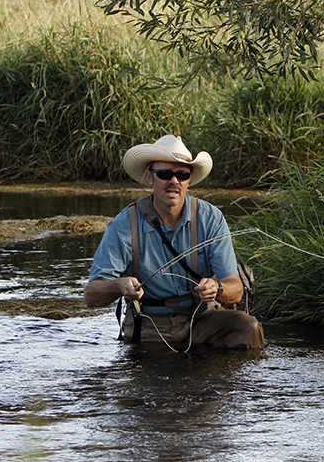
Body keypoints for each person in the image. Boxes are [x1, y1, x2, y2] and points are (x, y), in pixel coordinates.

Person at [84, 135, 265, 349]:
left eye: (182, 174)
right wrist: (119, 286)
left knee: (249, 329)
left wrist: (216, 289)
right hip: (150, 326)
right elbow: (91, 295)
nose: (174, 181)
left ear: (189, 180)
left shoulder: (211, 218)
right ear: (150, 178)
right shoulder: (124, 225)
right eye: (164, 174)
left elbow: (236, 288)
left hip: (202, 319)